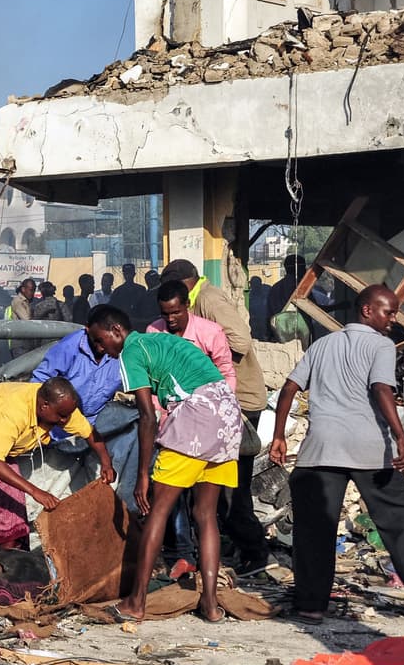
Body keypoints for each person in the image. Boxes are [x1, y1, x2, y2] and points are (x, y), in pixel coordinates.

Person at [269, 286, 404, 622]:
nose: (393, 320)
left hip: (320, 448)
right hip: (367, 446)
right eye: (389, 312)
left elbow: (289, 387)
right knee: (398, 515)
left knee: (314, 530)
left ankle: (311, 606)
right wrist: (401, 438)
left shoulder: (322, 344)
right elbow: (381, 388)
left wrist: (279, 435)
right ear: (367, 310)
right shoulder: (381, 345)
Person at [91, 313, 242, 623]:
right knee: (205, 515)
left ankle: (135, 602)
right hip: (226, 414)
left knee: (158, 511)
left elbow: (147, 417)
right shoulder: (161, 340)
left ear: (116, 330)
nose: (99, 349)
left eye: (99, 340)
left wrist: (142, 474)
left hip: (195, 416)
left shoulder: (132, 352)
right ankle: (211, 605)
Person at [158, 259, 270, 575]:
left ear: (185, 284)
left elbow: (240, 342)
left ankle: (255, 551)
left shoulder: (207, 300)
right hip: (211, 405)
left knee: (230, 487)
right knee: (208, 486)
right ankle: (228, 544)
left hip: (239, 400)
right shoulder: (192, 308)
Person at [0, 378, 114, 571]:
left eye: (67, 416)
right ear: (44, 406)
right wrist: (36, 492)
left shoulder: (62, 409)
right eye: (61, 416)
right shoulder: (12, 411)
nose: (65, 421)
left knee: (12, 499)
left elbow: (90, 434)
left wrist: (106, 462)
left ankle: (4, 563)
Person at [148, 281, 237, 576]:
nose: (171, 319)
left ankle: (205, 564)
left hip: (209, 424)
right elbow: (153, 384)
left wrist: (221, 411)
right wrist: (160, 416)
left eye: (175, 312)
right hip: (174, 426)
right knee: (171, 500)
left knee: (204, 508)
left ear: (187, 304)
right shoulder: (154, 333)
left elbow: (226, 372)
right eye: (166, 314)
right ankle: (182, 555)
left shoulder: (210, 332)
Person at [30, 305, 138, 512]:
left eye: (102, 341)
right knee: (51, 484)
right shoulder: (69, 347)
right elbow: (39, 383)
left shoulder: (122, 351)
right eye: (95, 341)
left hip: (95, 424)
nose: (99, 347)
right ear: (87, 330)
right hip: (59, 427)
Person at [7, 279, 37, 358]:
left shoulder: (27, 302)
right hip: (20, 343)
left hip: (26, 343)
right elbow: (27, 321)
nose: (32, 293)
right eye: (30, 290)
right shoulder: (18, 301)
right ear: (23, 289)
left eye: (34, 290)